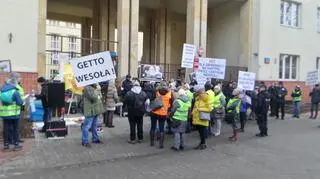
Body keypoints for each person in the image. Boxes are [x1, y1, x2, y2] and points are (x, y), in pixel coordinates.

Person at [0, 72, 24, 151]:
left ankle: (6, 146)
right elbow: (20, 102)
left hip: (4, 114)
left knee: (6, 129)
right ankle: (16, 145)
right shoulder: (15, 91)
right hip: (14, 114)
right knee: (15, 129)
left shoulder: (1, 90)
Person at [150, 82, 173, 148]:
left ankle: (152, 142)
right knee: (161, 129)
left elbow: (151, 100)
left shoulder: (156, 92)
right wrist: (168, 111)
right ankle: (161, 144)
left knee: (153, 127)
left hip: (154, 112)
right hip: (163, 113)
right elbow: (171, 104)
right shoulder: (169, 93)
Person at [192, 85, 212, 150]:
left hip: (202, 117)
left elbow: (209, 109)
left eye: (196, 91)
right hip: (197, 118)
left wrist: (199, 109)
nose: (195, 93)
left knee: (202, 132)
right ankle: (202, 144)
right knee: (200, 132)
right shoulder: (197, 98)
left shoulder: (207, 97)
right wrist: (192, 113)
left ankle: (203, 144)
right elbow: (195, 107)